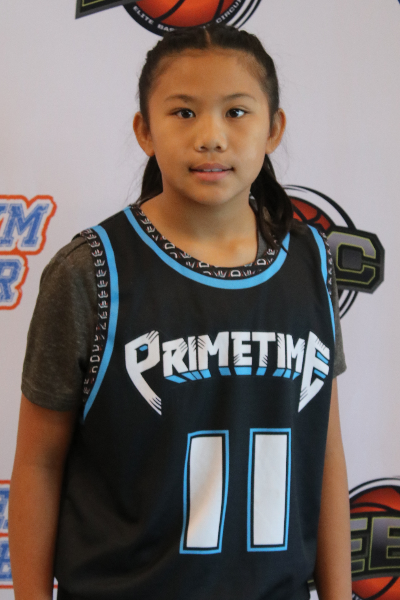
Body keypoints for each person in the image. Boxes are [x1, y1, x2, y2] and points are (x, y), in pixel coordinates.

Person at [9, 23, 352, 600]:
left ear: (274, 128)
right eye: (184, 113)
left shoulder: (311, 262)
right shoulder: (90, 271)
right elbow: (39, 464)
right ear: (144, 130)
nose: (211, 137)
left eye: (236, 112)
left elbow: (326, 449)